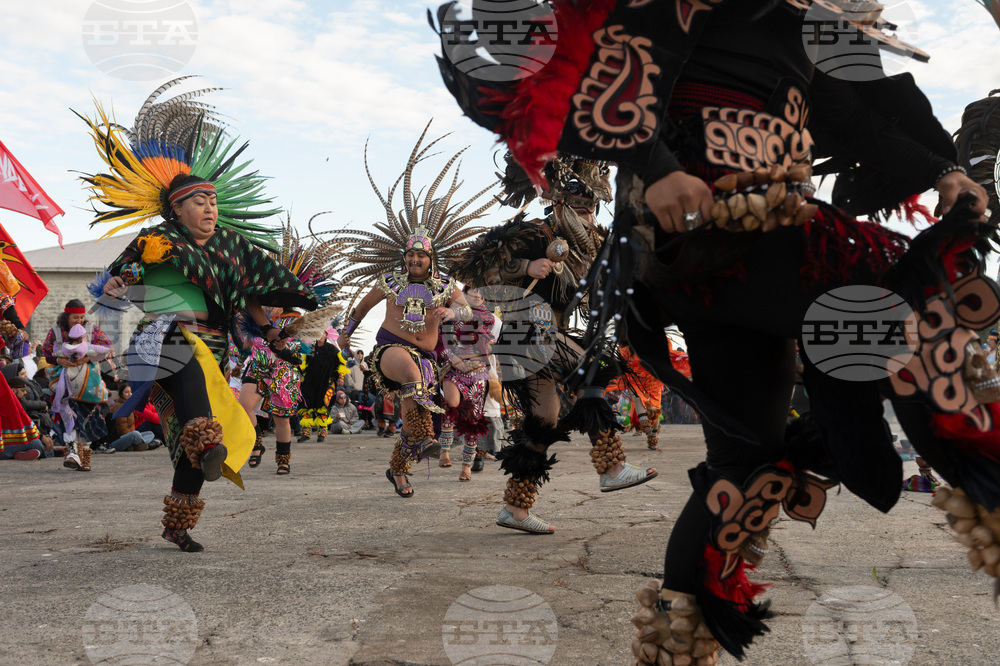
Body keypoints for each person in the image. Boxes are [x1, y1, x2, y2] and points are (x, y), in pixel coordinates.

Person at [436, 1, 995, 662]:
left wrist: (940, 171)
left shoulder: (805, 26)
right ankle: (971, 480)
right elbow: (612, 85)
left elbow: (853, 121)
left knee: (747, 464)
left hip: (767, 244)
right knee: (898, 309)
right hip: (704, 246)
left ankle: (677, 645)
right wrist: (660, 167)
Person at [81, 78, 316, 552]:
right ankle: (208, 451)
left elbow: (254, 292)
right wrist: (119, 282)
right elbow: (119, 277)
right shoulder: (158, 240)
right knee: (202, 424)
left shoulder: (233, 246)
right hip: (163, 338)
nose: (209, 207)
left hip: (214, 348)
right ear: (177, 208)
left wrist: (273, 331)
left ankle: (178, 523)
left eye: (212, 201)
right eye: (199, 202)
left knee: (200, 430)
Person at [449, 153, 657, 534]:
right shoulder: (534, 233)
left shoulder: (588, 249)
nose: (589, 211)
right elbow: (473, 270)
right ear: (561, 200)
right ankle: (611, 469)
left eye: (593, 204)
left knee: (544, 421)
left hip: (546, 335)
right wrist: (524, 268)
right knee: (592, 368)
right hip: (524, 331)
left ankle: (514, 509)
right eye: (581, 202)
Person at [329, 124, 494, 498]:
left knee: (427, 412)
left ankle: (399, 469)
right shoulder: (390, 280)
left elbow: (468, 313)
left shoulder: (446, 286)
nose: (414, 259)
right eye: (410, 254)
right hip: (391, 350)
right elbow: (364, 306)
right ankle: (423, 437)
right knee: (412, 377)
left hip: (427, 358)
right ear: (404, 257)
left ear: (430, 258)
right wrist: (346, 332)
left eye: (420, 254)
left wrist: (453, 315)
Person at [437, 286, 496, 481]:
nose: (478, 296)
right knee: (452, 406)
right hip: (453, 368)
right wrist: (455, 360)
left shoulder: (488, 318)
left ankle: (466, 466)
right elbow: (442, 342)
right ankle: (444, 450)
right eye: (474, 293)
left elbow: (493, 342)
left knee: (473, 420)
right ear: (464, 295)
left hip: (477, 371)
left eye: (481, 294)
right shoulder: (450, 314)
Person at [50, 322, 112, 470]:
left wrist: (60, 360)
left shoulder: (63, 348)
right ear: (82, 337)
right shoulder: (89, 347)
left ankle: (73, 454)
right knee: (87, 424)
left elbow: (52, 353)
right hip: (89, 393)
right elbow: (106, 350)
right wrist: (89, 358)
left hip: (68, 391)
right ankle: (82, 460)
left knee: (71, 422)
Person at [106, 384, 162, 452]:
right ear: (121, 394)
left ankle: (135, 446)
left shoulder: (130, 405)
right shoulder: (120, 407)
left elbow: (157, 415)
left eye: (130, 392)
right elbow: (122, 430)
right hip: (117, 440)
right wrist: (133, 435)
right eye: (126, 392)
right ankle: (143, 445)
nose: (129, 394)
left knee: (150, 433)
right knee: (136, 434)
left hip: (130, 435)